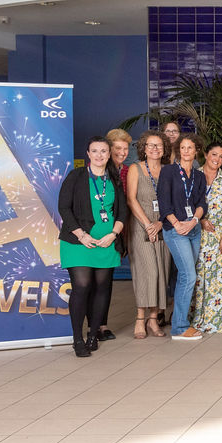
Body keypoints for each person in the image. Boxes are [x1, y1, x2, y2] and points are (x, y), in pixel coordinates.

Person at [59, 136, 127, 357]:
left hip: (106, 242)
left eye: (104, 151)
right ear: (88, 154)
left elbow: (122, 211)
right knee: (81, 286)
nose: (99, 155)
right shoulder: (76, 176)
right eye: (95, 151)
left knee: (101, 288)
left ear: (109, 154)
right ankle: (77, 339)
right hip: (78, 242)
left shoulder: (114, 178)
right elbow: (64, 208)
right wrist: (80, 234)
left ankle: (92, 335)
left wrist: (114, 234)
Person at [157, 132, 208, 340]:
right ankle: (179, 327)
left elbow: (201, 204)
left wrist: (194, 221)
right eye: (183, 148)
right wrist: (178, 224)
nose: (187, 151)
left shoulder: (199, 175)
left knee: (185, 276)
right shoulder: (168, 171)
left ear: (197, 151)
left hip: (193, 229)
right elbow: (163, 202)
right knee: (189, 276)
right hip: (175, 229)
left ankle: (181, 321)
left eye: (191, 148)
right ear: (178, 150)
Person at [125, 130, 171, 339]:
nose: (155, 149)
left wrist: (160, 223)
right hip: (140, 226)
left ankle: (154, 319)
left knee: (161, 271)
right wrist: (148, 225)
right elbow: (131, 199)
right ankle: (139, 318)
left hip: (163, 226)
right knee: (147, 272)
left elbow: (172, 202)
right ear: (143, 148)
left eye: (159, 145)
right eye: (151, 145)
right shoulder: (136, 169)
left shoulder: (168, 171)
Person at [192, 142, 222, 333]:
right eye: (214, 154)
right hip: (199, 233)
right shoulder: (194, 176)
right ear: (206, 154)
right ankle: (199, 318)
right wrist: (200, 221)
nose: (217, 159)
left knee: (221, 276)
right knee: (201, 277)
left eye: (221, 156)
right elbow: (188, 204)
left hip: (221, 235)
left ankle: (220, 320)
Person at [95, 127, 133, 341]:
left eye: (125, 148)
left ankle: (102, 325)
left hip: (118, 231)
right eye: (117, 148)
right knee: (94, 282)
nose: (121, 152)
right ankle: (95, 324)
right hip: (98, 232)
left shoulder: (127, 171)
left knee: (105, 282)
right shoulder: (100, 171)